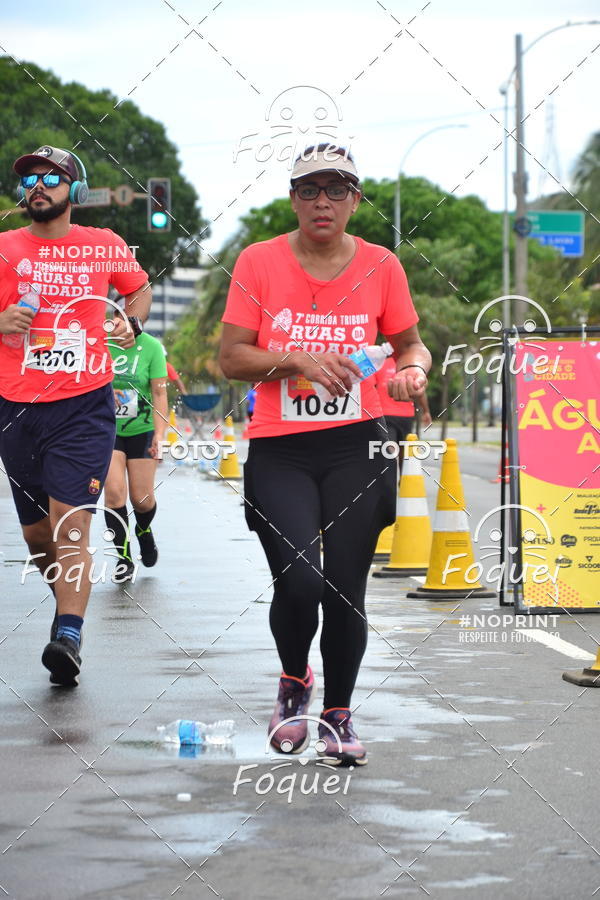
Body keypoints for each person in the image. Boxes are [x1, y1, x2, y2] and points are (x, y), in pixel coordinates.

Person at [219, 144, 430, 765]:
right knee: (300, 577)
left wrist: (411, 376)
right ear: (293, 198)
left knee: (344, 587)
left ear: (354, 200)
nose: (322, 202)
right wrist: (298, 359)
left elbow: (411, 346)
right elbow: (231, 358)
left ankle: (338, 712)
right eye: (310, 189)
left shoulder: (382, 266)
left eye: (336, 190)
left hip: (357, 446)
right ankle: (294, 681)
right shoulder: (258, 262)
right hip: (281, 447)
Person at [0, 146, 151, 686]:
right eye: (30, 180)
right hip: (16, 408)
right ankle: (65, 597)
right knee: (39, 538)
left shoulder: (105, 245)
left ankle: (68, 633)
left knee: (71, 524)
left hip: (84, 404)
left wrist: (128, 323)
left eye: (51, 178)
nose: (38, 186)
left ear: (76, 190)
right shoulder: (4, 248)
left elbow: (139, 290)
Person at [104, 329, 168, 582]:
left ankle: (143, 529)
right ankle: (124, 558)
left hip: (143, 429)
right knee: (114, 493)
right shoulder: (100, 342)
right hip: (106, 429)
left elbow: (160, 393)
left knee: (141, 499)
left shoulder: (151, 347)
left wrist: (160, 434)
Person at [374, 356, 433, 474]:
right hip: (402, 416)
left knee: (390, 449)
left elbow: (372, 388)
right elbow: (420, 391)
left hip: (388, 415)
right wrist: (426, 411)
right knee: (403, 450)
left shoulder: (380, 364)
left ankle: (390, 478)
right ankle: (401, 479)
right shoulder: (411, 366)